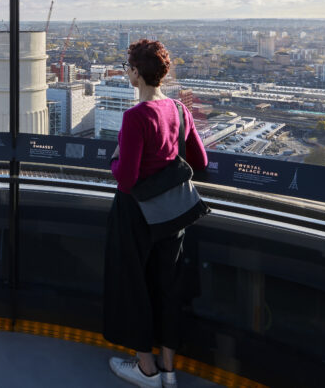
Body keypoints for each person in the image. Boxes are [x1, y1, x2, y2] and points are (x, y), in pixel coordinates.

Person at [103, 39, 207, 388]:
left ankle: (145, 370)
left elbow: (127, 179)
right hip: (173, 212)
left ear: (135, 73)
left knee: (133, 285)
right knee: (167, 286)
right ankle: (168, 369)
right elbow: (200, 161)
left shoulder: (135, 117)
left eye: (129, 67)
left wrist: (115, 158)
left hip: (136, 214)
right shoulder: (178, 109)